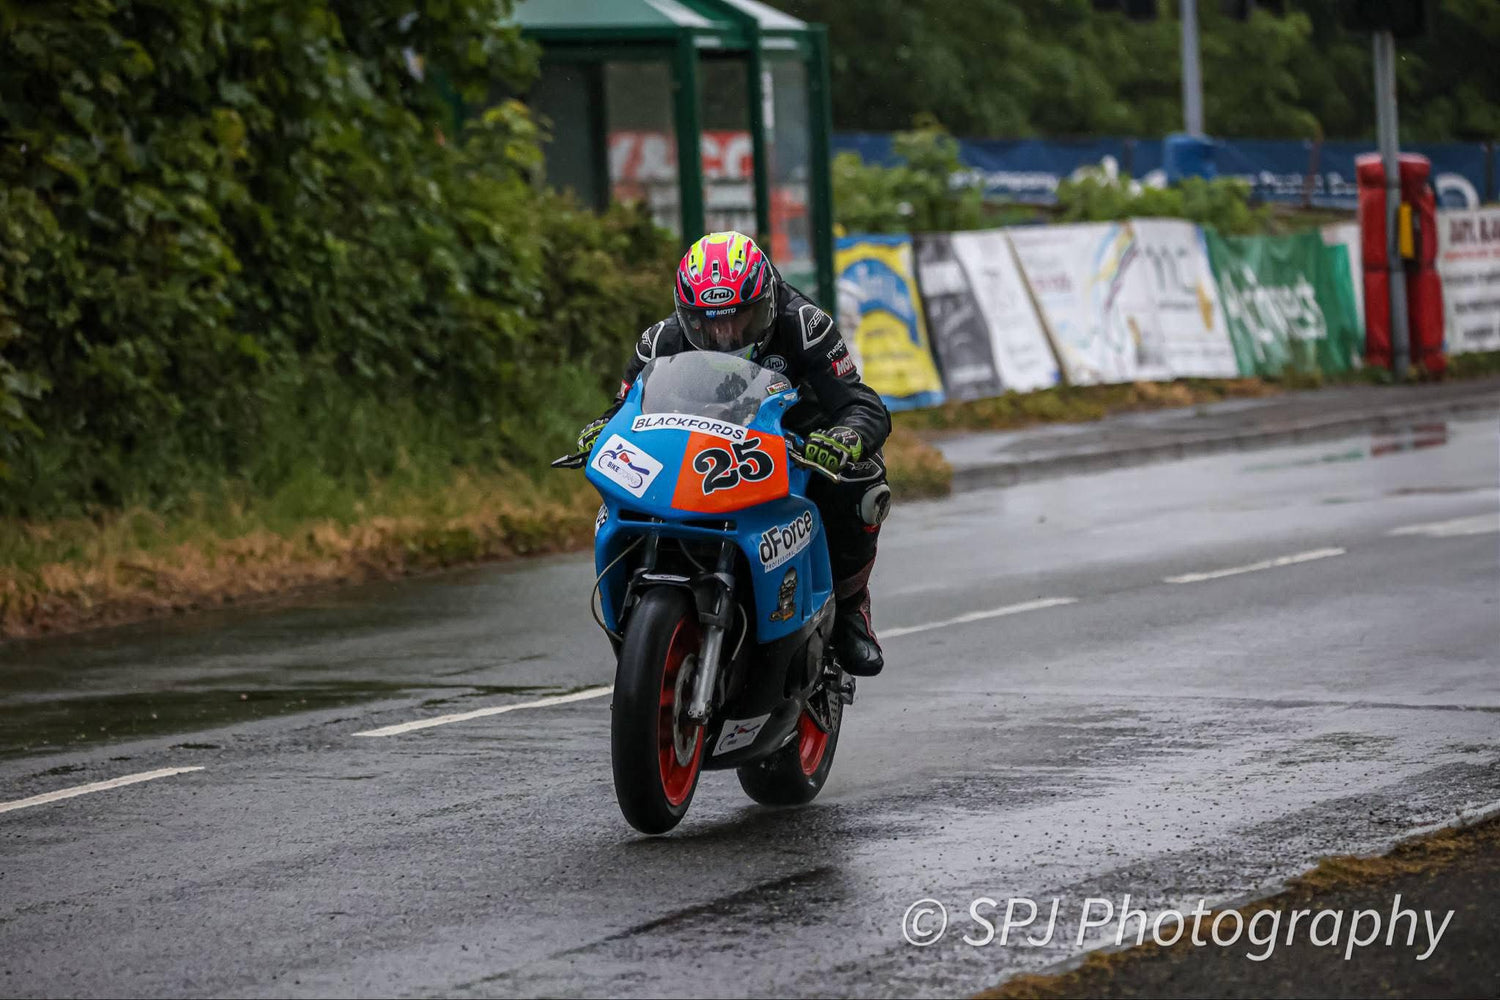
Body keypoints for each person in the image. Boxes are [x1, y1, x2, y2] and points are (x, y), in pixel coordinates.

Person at [577, 231, 891, 676]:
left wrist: (844, 437)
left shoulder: (804, 325)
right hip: (700, 453)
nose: (725, 334)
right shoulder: (662, 340)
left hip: (796, 444)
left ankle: (850, 608)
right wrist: (602, 429)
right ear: (686, 314)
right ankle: (638, 617)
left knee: (863, 479)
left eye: (741, 317)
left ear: (767, 302)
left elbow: (861, 402)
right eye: (707, 323)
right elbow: (623, 408)